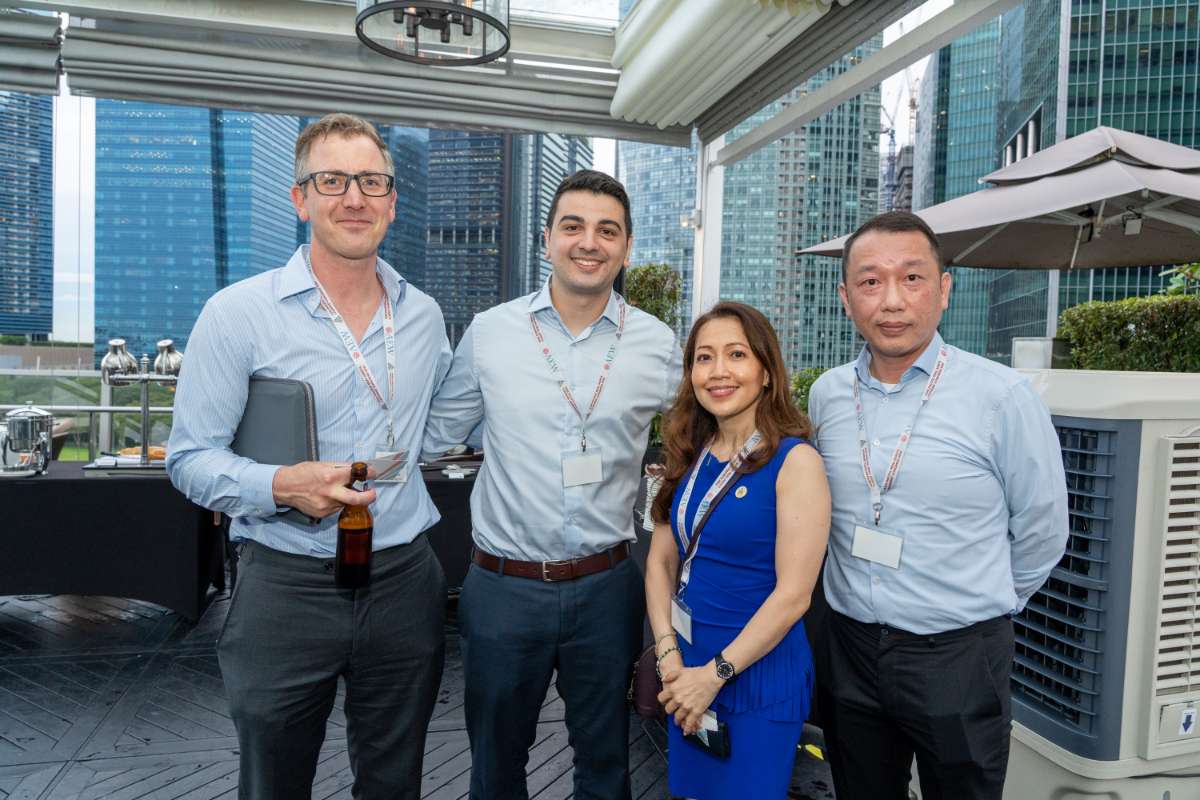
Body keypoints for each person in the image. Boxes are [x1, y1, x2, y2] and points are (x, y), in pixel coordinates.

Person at [167, 113, 451, 800]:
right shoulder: (236, 313)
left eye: (372, 182)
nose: (354, 198)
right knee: (273, 781)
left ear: (392, 201)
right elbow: (189, 458)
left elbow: (440, 426)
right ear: (300, 199)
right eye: (332, 181)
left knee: (396, 782)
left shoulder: (424, 317)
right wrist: (279, 485)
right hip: (284, 585)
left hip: (403, 582)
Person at [423, 169, 683, 800]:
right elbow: (432, 435)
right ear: (547, 240)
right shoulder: (490, 333)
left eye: (607, 231)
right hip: (502, 589)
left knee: (605, 767)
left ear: (626, 248)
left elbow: (704, 437)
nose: (589, 242)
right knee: (494, 768)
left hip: (608, 588)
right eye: (573, 226)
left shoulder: (657, 344)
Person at [808, 210, 1069, 799]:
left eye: (912, 278)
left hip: (958, 654)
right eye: (871, 281)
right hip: (849, 647)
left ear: (944, 289)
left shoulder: (1001, 396)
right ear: (846, 298)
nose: (892, 300)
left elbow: (1043, 529)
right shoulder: (827, 394)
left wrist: (980, 605)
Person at [644, 301, 830, 800]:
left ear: (766, 372)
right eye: (704, 358)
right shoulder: (689, 452)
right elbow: (660, 561)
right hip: (685, 672)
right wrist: (668, 653)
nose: (718, 371)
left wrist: (715, 675)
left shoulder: (796, 462)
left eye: (737, 355)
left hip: (754, 676)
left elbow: (794, 596)